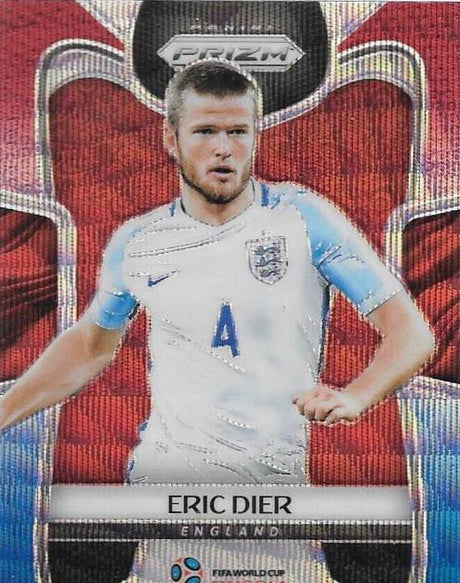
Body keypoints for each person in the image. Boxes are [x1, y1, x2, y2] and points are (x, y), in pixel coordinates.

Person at [0, 60, 434, 485]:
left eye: (238, 132)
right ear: (171, 139)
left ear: (255, 136)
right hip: (161, 482)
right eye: (205, 131)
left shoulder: (303, 218)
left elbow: (411, 334)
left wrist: (357, 395)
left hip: (273, 491)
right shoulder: (138, 242)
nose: (223, 148)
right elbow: (89, 346)